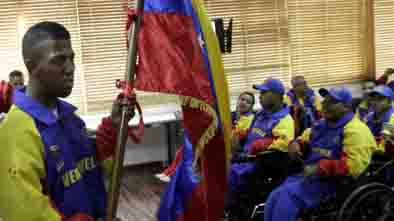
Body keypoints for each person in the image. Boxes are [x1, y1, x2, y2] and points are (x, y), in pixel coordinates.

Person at [0, 21, 134, 221]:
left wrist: (114, 125)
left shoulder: (68, 117)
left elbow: (91, 166)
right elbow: (27, 214)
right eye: (59, 60)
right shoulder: (16, 131)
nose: (70, 68)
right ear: (31, 65)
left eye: (72, 58)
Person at [264, 87, 377, 221]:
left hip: (334, 184)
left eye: (332, 102)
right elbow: (304, 138)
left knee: (286, 197)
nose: (325, 104)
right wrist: (295, 144)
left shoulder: (356, 130)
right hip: (309, 177)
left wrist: (320, 168)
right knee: (274, 195)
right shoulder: (322, 124)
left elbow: (354, 166)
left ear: (346, 107)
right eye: (325, 101)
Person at [155, 91, 256, 182]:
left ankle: (174, 175)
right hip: (221, 143)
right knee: (187, 147)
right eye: (242, 99)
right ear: (237, 100)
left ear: (251, 106)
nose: (243, 102)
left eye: (247, 102)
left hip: (231, 149)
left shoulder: (249, 119)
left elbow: (236, 139)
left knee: (194, 149)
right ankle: (170, 173)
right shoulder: (230, 114)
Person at [226, 78, 294, 212]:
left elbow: (284, 144)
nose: (260, 96)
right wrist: (241, 136)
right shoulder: (260, 114)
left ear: (276, 96)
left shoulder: (284, 120)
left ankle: (227, 211)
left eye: (263, 93)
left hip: (258, 165)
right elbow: (251, 132)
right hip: (243, 157)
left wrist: (262, 144)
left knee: (227, 175)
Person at [364, 85, 394, 152]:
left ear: (389, 102)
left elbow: (393, 144)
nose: (375, 102)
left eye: (380, 99)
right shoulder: (368, 117)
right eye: (373, 99)